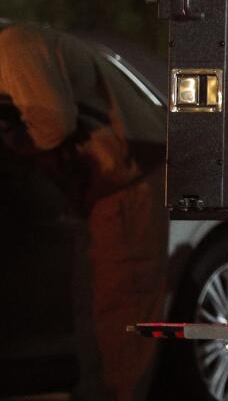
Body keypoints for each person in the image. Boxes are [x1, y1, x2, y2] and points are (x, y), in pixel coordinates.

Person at [0, 24, 167, 401]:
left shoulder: (13, 48)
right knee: (94, 309)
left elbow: (52, 126)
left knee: (120, 313)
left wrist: (12, 140)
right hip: (102, 188)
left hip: (126, 182)